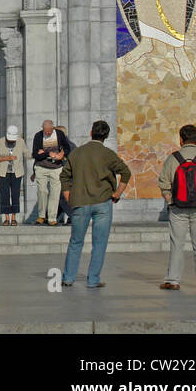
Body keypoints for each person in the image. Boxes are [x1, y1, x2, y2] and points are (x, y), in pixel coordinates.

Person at [60, 121, 132, 288]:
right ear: (106, 136)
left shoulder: (77, 153)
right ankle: (93, 279)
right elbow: (126, 173)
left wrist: (68, 196)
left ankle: (68, 278)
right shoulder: (108, 154)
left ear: (91, 132)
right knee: (99, 243)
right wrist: (117, 193)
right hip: (103, 202)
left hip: (80, 202)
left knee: (75, 241)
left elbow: (64, 177)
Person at [158, 124, 196, 290]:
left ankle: (172, 280)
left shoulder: (173, 158)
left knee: (176, 244)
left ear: (181, 139)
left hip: (178, 207)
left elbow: (164, 184)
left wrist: (170, 201)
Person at [31, 120, 72, 225]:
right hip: (42, 167)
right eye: (45, 131)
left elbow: (67, 148)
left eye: (49, 131)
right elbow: (35, 154)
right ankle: (41, 216)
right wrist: (48, 153)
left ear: (53, 128)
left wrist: (61, 154)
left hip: (56, 167)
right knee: (42, 191)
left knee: (55, 192)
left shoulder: (59, 134)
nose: (47, 133)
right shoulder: (38, 136)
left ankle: (52, 218)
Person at [0, 125, 27, 225]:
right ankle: (6, 218)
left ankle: (14, 217)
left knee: (15, 194)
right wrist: (6, 158)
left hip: (17, 172)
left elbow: (26, 153)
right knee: (5, 194)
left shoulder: (21, 142)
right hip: (3, 173)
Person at [54, 126, 71, 223]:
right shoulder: (62, 146)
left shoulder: (68, 146)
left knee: (63, 198)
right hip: (64, 175)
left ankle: (73, 216)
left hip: (67, 177)